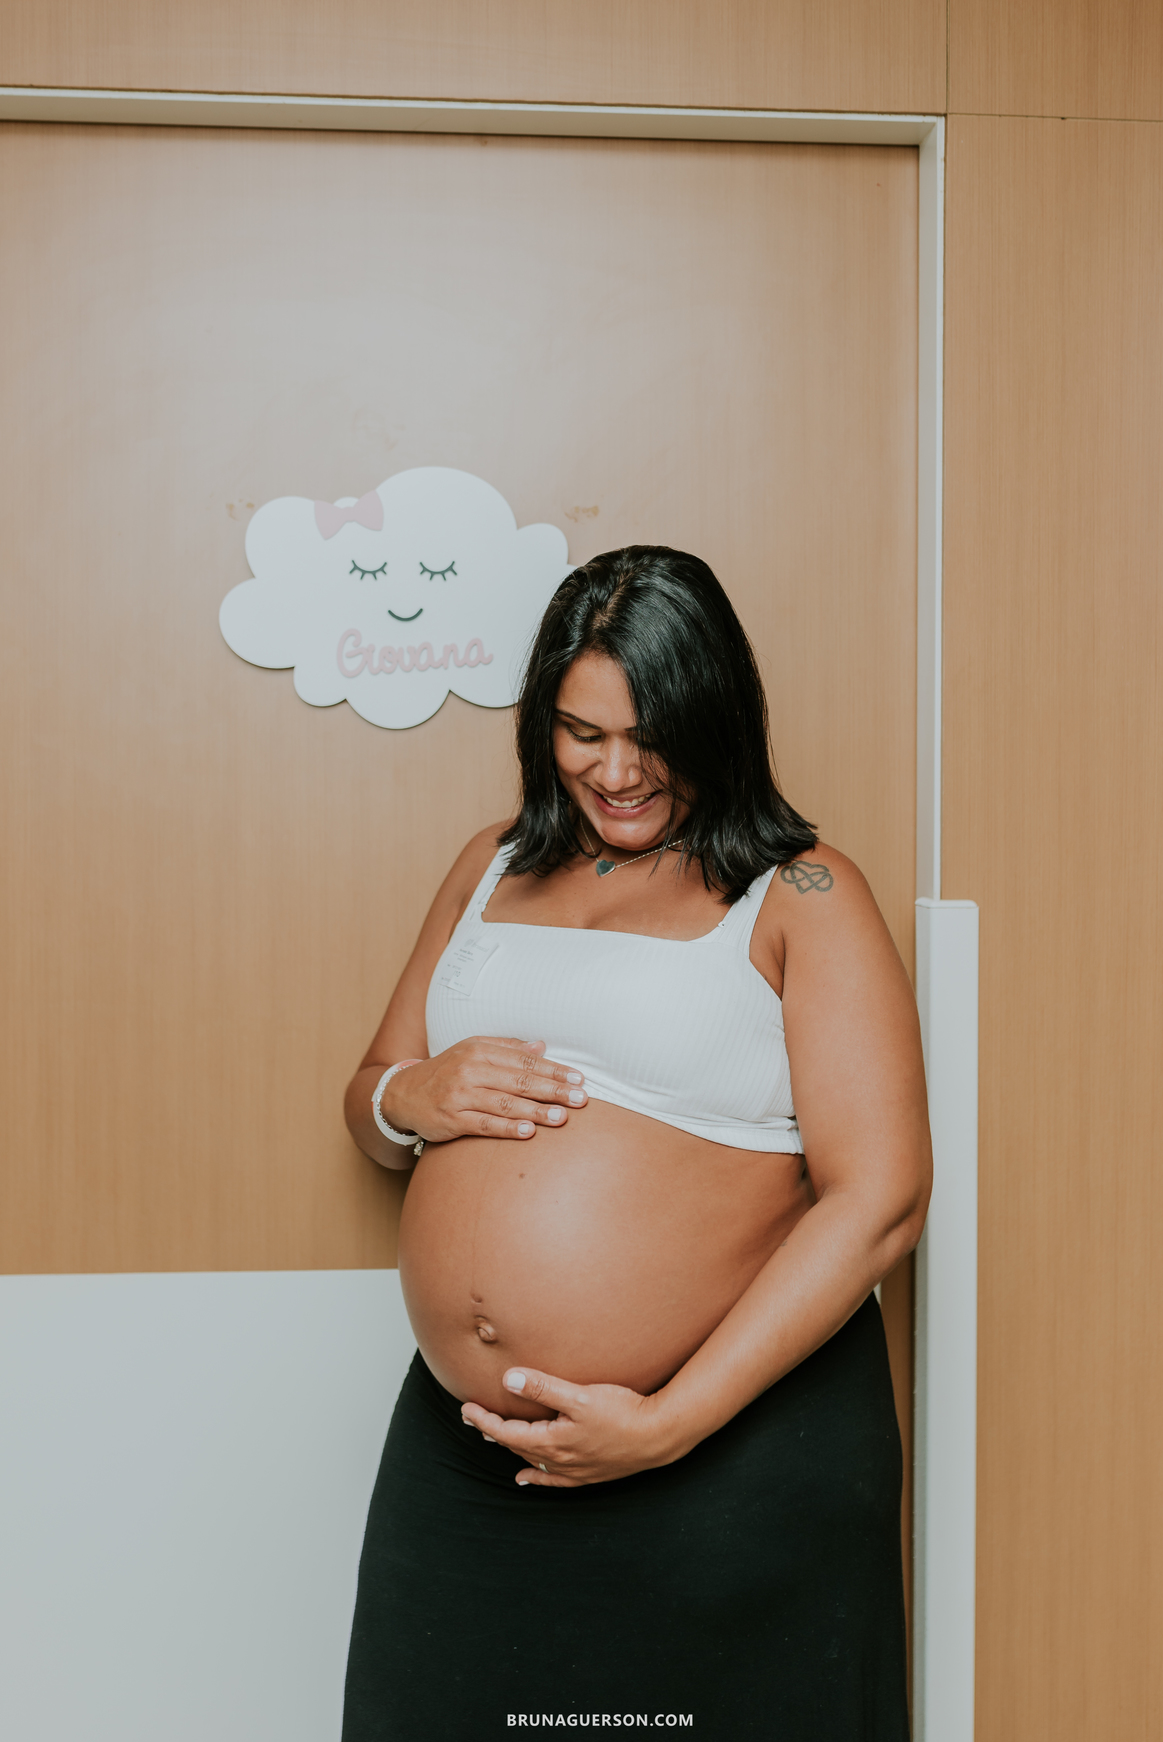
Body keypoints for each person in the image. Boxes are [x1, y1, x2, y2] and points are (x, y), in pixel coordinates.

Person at [340, 545, 931, 1740]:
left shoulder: (801, 894)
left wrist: (670, 1420)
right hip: (473, 1452)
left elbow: (880, 1198)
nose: (615, 771)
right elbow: (368, 1099)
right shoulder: (491, 862)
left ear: (717, 716)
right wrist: (417, 1091)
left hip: (727, 1447)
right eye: (580, 732)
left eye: (650, 735)